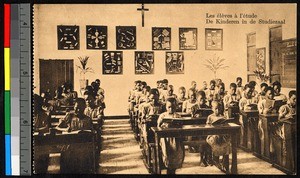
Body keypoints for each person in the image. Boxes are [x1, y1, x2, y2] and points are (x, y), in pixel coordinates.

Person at [56, 98, 94, 173]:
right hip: (70, 145)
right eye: (76, 108)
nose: (78, 110)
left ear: (84, 108)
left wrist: (90, 132)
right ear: (74, 107)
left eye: (80, 108)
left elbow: (92, 132)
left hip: (82, 145)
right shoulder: (70, 116)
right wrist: (66, 130)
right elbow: (57, 128)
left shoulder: (88, 119)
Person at [157, 98, 185, 174]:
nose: (171, 109)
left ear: (176, 107)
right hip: (165, 138)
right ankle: (168, 168)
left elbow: (181, 126)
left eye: (173, 107)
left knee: (176, 153)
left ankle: (173, 170)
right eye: (169, 107)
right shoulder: (162, 116)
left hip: (175, 138)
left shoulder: (178, 116)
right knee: (167, 154)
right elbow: (158, 127)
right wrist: (162, 125)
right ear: (166, 107)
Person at [206, 101, 230, 170]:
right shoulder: (210, 117)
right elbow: (207, 127)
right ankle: (216, 159)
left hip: (222, 135)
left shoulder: (222, 116)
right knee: (215, 140)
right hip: (212, 135)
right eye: (216, 108)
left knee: (226, 142)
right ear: (212, 109)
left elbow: (226, 127)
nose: (217, 110)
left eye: (219, 109)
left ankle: (225, 161)